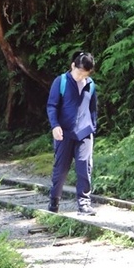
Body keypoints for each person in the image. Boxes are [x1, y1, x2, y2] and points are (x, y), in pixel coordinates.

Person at [46, 51, 98, 216]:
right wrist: (55, 126)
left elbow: (93, 108)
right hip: (64, 133)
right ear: (73, 66)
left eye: (85, 73)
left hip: (85, 133)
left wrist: (93, 127)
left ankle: (84, 203)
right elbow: (52, 105)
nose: (81, 76)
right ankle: (54, 201)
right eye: (79, 71)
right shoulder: (60, 81)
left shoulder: (90, 84)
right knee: (61, 169)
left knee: (84, 167)